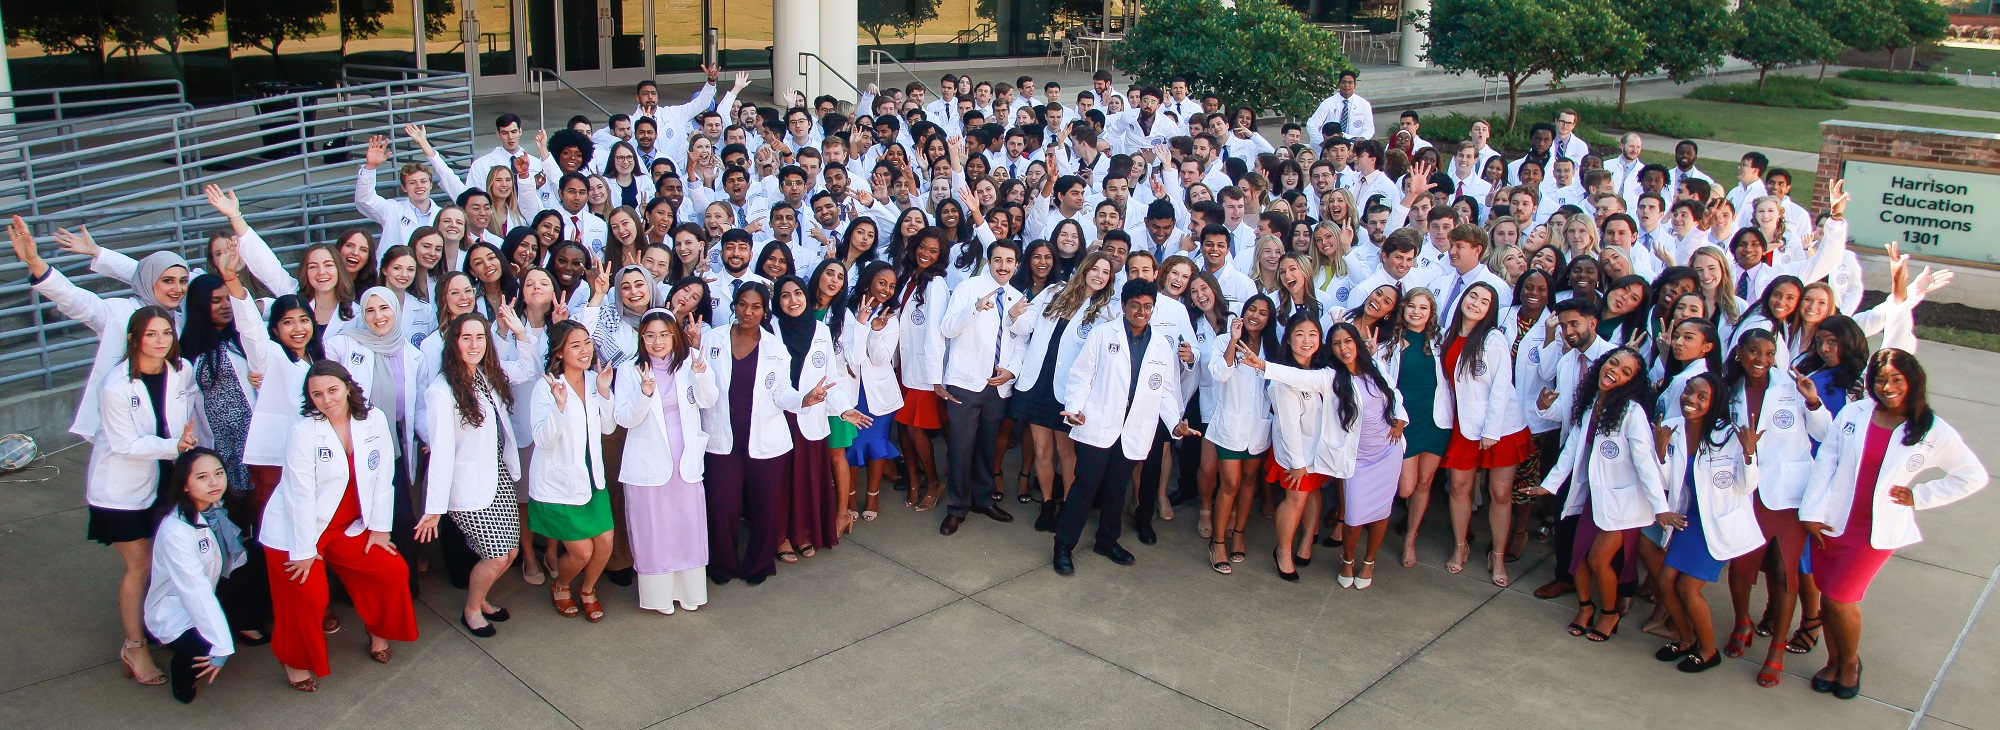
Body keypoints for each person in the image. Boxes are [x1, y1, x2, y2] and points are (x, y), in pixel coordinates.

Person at [1802, 349, 1988, 699]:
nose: (1887, 386)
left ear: (1912, 381)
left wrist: (1920, 496)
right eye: (1879, 379)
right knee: (1828, 596)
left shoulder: (1932, 429)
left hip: (1874, 531)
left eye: (1896, 379)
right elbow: (1828, 457)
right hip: (1833, 521)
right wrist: (1811, 512)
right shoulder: (1856, 412)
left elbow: (1972, 476)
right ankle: (1833, 660)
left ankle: (1851, 663)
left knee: (1841, 598)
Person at [261, 361, 417, 691]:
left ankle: (377, 630)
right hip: (295, 531)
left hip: (347, 524)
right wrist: (303, 552)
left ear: (348, 387)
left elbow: (382, 476)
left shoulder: (372, 419)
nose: (326, 399)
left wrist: (379, 528)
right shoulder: (303, 432)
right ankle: (294, 660)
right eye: (316, 394)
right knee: (309, 596)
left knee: (390, 570)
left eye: (332, 390)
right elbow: (298, 496)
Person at [1052, 279, 1198, 575]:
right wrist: (1075, 408)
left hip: (1135, 427)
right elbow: (1081, 375)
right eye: (1135, 306)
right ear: (1123, 306)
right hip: (1099, 422)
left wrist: (1175, 423)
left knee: (1117, 488)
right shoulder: (1103, 334)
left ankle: (1107, 540)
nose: (1141, 312)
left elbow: (1166, 390)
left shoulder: (1160, 344)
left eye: (1147, 307)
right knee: (1086, 485)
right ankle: (1063, 545)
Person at [1525, 347, 1672, 643]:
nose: (1614, 371)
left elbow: (1645, 464)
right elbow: (1571, 451)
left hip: (1625, 503)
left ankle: (1609, 613)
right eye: (1613, 363)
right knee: (1577, 558)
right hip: (1594, 497)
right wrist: (1550, 485)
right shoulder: (1591, 403)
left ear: (1631, 382)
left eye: (1625, 371)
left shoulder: (1632, 413)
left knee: (1598, 560)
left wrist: (1661, 508)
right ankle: (1585, 606)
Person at [1252, 321, 1407, 588]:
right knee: (1352, 513)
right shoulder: (1331, 376)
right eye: (1337, 343)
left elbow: (1393, 394)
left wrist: (1400, 419)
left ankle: (1359, 560)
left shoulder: (1375, 368)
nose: (1343, 347)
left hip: (1385, 453)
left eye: (1348, 341)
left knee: (1378, 509)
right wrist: (1265, 366)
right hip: (1342, 456)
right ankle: (1336, 559)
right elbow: (1298, 382)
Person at [1720, 328, 1829, 688]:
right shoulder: (1728, 388)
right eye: (1753, 352)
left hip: (1788, 495)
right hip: (1745, 490)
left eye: (1768, 354)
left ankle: (1777, 650)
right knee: (1741, 570)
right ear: (1740, 354)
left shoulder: (1792, 386)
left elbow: (1824, 433)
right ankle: (1742, 623)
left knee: (1785, 576)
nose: (1761, 360)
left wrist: (1813, 403)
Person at [700, 283, 828, 584]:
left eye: (756, 306)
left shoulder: (774, 347)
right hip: (722, 440)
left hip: (767, 441)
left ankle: (758, 564)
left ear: (764, 310)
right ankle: (722, 564)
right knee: (722, 506)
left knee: (765, 507)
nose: (748, 312)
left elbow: (781, 391)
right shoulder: (711, 339)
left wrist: (802, 400)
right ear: (734, 305)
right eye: (743, 304)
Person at [418, 312, 537, 634]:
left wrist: (518, 332)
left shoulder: (486, 374)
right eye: (465, 338)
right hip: (468, 486)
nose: (474, 344)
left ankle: (481, 598)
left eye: (480, 337)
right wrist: (434, 510)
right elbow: (441, 455)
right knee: (497, 556)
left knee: (510, 551)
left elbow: (528, 369)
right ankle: (472, 609)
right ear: (453, 344)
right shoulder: (441, 392)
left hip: (497, 475)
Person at [1652, 373, 1761, 673]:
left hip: (1718, 523)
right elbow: (1668, 482)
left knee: (1688, 588)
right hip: (1689, 518)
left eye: (1702, 396)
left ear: (1714, 404)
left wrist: (1750, 452)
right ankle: (1686, 639)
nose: (1691, 400)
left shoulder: (1729, 436)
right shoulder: (1671, 427)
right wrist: (1661, 450)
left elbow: (1746, 486)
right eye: (1689, 392)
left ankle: (1709, 650)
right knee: (1664, 582)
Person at [1008, 251, 1119, 532]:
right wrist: (1014, 315)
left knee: (1066, 453)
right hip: (1036, 382)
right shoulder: (1054, 292)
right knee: (1042, 450)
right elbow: (1026, 324)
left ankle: (1069, 507)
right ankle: (1047, 503)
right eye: (1095, 268)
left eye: (1105, 272)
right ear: (1084, 269)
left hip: (1067, 390)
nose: (1099, 275)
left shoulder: (1105, 313)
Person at [614, 311, 717, 613]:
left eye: (663, 335)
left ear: (674, 335)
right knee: (654, 530)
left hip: (684, 461)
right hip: (648, 464)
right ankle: (659, 598)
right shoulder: (629, 371)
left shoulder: (690, 363)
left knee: (686, 526)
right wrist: (645, 394)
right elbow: (623, 418)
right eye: (650, 335)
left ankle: (689, 593)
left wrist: (700, 374)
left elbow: (708, 400)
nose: (657, 342)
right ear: (641, 338)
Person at [1436, 281, 1532, 585]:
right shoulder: (1447, 336)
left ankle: (1498, 555)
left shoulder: (1493, 340)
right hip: (1464, 425)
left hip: (1500, 427)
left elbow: (1502, 387)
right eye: (1472, 296)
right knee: (1459, 488)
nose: (1476, 303)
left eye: (1484, 301)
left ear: (1491, 310)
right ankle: (1460, 546)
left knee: (1500, 494)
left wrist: (1491, 431)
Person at [530, 320, 620, 620]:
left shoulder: (596, 379)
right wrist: (559, 405)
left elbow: (608, 426)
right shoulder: (545, 387)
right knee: (581, 551)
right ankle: (562, 584)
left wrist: (605, 392)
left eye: (587, 343)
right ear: (559, 353)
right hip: (561, 483)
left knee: (605, 542)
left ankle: (588, 589)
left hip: (593, 478)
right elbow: (542, 439)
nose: (585, 350)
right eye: (575, 345)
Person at [144, 449, 250, 703]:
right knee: (205, 649)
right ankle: (183, 677)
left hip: (207, 588)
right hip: (175, 608)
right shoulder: (176, 532)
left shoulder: (215, 508)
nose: (215, 483)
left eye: (219, 473)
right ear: (184, 485)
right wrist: (222, 645)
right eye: (202, 477)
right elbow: (196, 592)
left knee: (255, 566)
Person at [935, 239, 1024, 535]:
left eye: (1009, 261)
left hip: (997, 387)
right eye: (998, 260)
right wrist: (975, 309)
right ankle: (958, 507)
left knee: (987, 447)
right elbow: (947, 328)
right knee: (961, 448)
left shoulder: (1015, 297)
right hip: (966, 383)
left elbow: (1021, 341)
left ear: (1016, 265)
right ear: (989, 261)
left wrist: (1011, 371)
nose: (1003, 266)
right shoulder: (968, 289)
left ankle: (983, 499)